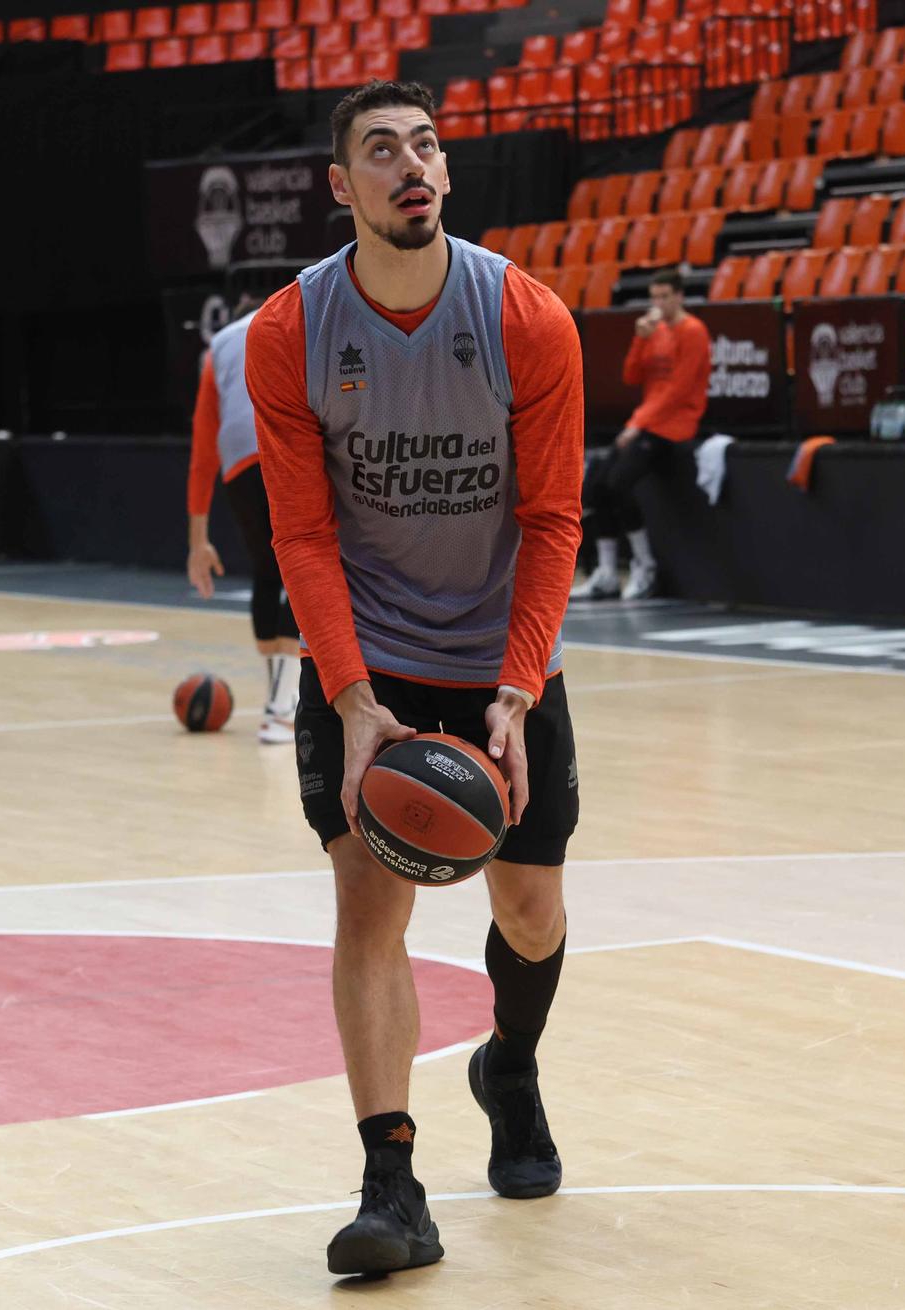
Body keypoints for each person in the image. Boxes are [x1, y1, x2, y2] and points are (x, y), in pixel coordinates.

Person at [242, 80, 584, 1277]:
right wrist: (344, 693)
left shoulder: (524, 316)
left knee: (528, 909)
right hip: (370, 655)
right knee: (365, 909)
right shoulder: (290, 332)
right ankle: (392, 1181)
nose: (410, 166)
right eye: (380, 150)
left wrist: (517, 685)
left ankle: (512, 1063)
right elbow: (301, 536)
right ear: (341, 186)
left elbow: (551, 519)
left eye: (426, 145)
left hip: (500, 651)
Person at [186, 293, 302, 744]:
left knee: (268, 572)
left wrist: (199, 539)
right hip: (281, 445)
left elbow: (201, 448)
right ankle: (282, 708)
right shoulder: (286, 319)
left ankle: (278, 698)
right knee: (303, 567)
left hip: (236, 461)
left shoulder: (219, 347)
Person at [573, 267, 710, 601]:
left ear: (679, 296)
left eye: (665, 296)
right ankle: (607, 575)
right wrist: (639, 338)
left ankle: (646, 567)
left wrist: (637, 424)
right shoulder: (654, 331)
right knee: (597, 487)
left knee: (619, 484)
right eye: (654, 297)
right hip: (646, 423)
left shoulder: (694, 332)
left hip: (674, 427)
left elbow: (678, 390)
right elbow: (632, 376)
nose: (659, 303)